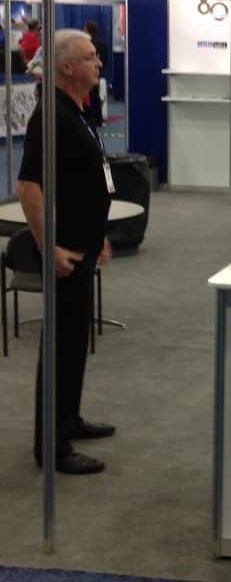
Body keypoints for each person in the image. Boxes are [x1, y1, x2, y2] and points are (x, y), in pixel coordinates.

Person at [18, 28, 114, 475]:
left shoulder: (76, 110)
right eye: (90, 57)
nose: (99, 63)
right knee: (59, 348)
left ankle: (69, 419)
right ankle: (51, 446)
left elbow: (84, 181)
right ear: (67, 66)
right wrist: (48, 246)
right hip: (64, 254)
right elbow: (29, 185)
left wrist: (99, 234)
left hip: (83, 245)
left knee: (75, 343)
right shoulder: (50, 116)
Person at [83, 20, 107, 126]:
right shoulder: (102, 44)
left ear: (87, 29)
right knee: (95, 95)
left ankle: (92, 118)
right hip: (98, 73)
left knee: (90, 96)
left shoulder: (86, 43)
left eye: (84, 28)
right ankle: (98, 119)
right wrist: (99, 69)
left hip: (87, 72)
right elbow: (105, 60)